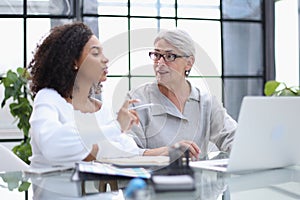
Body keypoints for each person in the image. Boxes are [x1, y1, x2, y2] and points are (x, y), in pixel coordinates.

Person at [27, 22, 140, 168]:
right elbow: (53, 146)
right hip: (55, 188)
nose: (105, 59)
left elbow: (129, 151)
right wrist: (116, 127)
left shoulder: (100, 109)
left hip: (99, 189)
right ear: (74, 62)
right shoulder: (49, 98)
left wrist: (171, 151)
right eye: (95, 53)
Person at [126, 29, 237, 160]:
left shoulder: (206, 102)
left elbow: (234, 138)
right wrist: (167, 152)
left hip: (197, 180)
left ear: (189, 63)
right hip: (151, 180)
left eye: (169, 56)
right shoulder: (137, 99)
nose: (160, 63)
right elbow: (126, 151)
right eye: (156, 55)